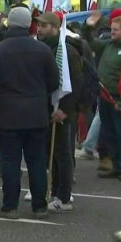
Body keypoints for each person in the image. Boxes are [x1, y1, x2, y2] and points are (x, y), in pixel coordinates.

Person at [0, 7, 59, 220]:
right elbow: (53, 82)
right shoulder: (42, 50)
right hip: (36, 114)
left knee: (10, 162)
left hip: (8, 115)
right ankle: (40, 206)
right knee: (37, 161)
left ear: (10, 24)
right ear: (28, 25)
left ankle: (9, 206)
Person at [34, 12, 84, 211]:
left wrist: (64, 109)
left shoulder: (66, 51)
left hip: (61, 109)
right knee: (51, 153)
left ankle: (64, 196)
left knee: (62, 153)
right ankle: (54, 191)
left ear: (55, 28)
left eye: (44, 26)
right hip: (47, 107)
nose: (39, 29)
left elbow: (76, 82)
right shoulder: (43, 48)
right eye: (38, 25)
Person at [83, 10, 121, 180]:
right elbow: (89, 42)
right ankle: (118, 165)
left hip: (120, 100)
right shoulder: (108, 44)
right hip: (104, 97)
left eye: (116, 30)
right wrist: (88, 26)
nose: (111, 32)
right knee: (109, 132)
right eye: (112, 29)